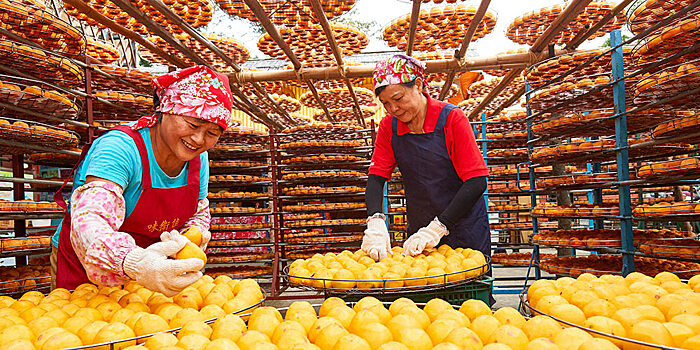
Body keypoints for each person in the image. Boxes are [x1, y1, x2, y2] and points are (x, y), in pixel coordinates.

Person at [52, 65, 233, 296]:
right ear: (166, 110)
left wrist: (188, 236)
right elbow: (91, 220)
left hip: (150, 272)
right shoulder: (120, 148)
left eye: (212, 133)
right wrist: (135, 262)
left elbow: (198, 210)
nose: (198, 139)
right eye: (193, 125)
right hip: (87, 264)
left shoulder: (199, 159)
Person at [361, 54, 490, 263]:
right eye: (385, 103)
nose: (393, 109)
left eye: (398, 98)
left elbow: (476, 181)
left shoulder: (451, 118)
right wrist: (375, 221)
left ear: (419, 85)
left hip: (465, 227)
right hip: (420, 234)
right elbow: (376, 178)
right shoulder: (389, 127)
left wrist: (438, 227)